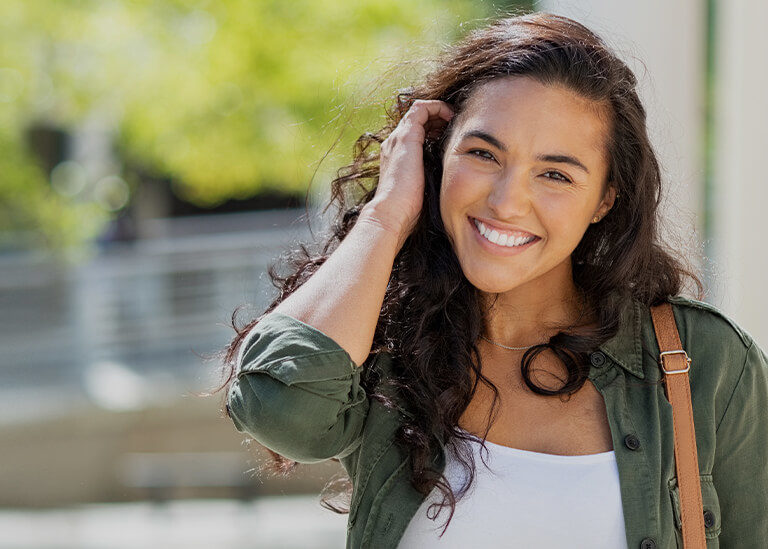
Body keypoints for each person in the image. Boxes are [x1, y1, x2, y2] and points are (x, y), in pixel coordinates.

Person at [218, 11, 768, 549]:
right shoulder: (382, 346)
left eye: (555, 173)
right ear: (438, 158)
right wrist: (387, 216)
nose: (507, 202)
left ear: (605, 199)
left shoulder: (705, 361)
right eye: (483, 154)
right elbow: (279, 409)